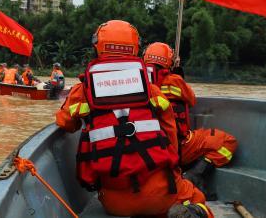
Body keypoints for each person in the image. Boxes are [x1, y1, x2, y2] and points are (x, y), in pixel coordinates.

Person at [55, 20, 212, 218]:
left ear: (98, 47)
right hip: (160, 194)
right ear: (135, 49)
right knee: (198, 199)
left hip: (114, 202)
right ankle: (192, 212)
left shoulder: (82, 91)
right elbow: (170, 133)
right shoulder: (150, 89)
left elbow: (65, 123)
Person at [143, 42, 238, 194]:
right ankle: (194, 175)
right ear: (169, 61)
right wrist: (177, 73)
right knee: (228, 142)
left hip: (146, 149)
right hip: (179, 146)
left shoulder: (138, 83)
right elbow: (191, 100)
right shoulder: (175, 81)